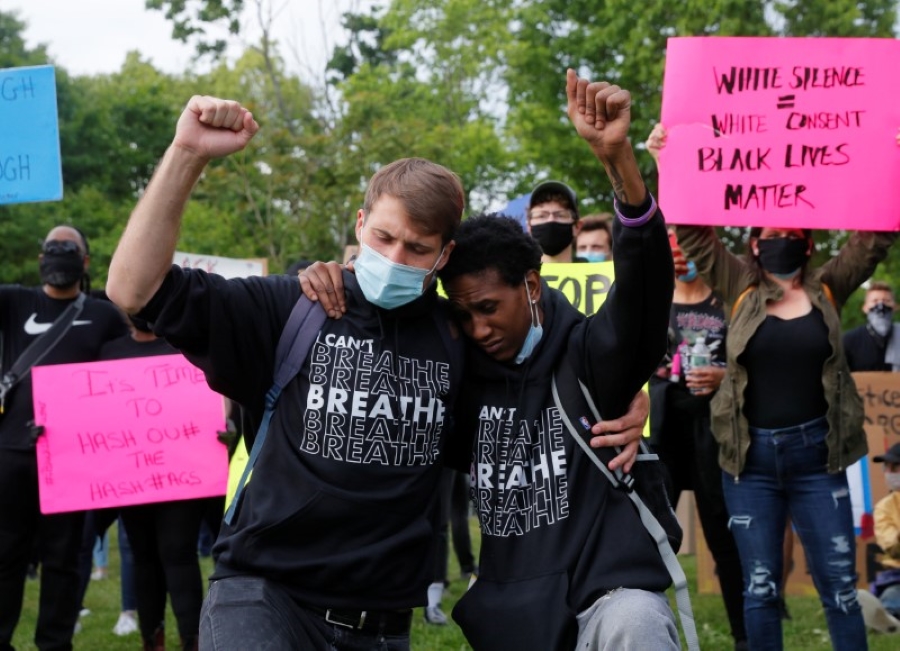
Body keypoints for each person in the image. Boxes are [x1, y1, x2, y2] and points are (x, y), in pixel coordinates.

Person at [106, 92, 646, 650]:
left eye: (417, 248)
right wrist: (186, 153)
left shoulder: (456, 337)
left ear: (443, 257)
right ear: (361, 224)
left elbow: (549, 365)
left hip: (381, 626)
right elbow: (132, 289)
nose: (394, 259)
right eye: (383, 238)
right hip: (264, 600)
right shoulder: (292, 307)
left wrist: (623, 394)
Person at [436, 72, 678, 649]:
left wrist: (619, 162)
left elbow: (642, 294)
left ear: (532, 285)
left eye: (489, 308)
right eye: (464, 315)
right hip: (510, 614)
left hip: (607, 599)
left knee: (637, 625)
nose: (479, 328)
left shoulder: (591, 355)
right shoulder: (455, 371)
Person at [652, 118, 900, 649]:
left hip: (818, 461)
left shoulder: (829, 287)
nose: (780, 241)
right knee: (759, 588)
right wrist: (669, 161)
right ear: (754, 244)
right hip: (751, 464)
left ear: (807, 244)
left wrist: (892, 161)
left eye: (791, 235)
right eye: (770, 235)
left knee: (838, 585)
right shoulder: (738, 286)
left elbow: (875, 236)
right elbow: (694, 230)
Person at [0, 226, 129, 651]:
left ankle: (55, 643)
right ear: (39, 258)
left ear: (85, 261)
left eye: (68, 248)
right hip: (13, 455)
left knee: (63, 560)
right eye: (51, 248)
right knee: (5, 556)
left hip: (72, 462)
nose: (58, 254)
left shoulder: (105, 315)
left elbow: (133, 379)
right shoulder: (14, 301)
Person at [648, 227, 747, 650]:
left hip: (715, 434)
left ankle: (745, 636)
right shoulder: (650, 301)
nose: (680, 256)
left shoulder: (728, 301)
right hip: (664, 435)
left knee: (724, 540)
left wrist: (724, 375)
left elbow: (755, 361)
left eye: (687, 247)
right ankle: (644, 628)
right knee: (652, 538)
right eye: (672, 248)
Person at [100, 314, 215, 651]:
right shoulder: (109, 351)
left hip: (183, 476)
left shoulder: (186, 350)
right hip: (131, 478)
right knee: (143, 557)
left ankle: (190, 641)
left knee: (178, 553)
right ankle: (153, 640)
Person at [843, 281, 898, 372]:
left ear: (895, 307)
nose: (881, 306)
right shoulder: (849, 341)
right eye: (875, 301)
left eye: (887, 301)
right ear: (865, 308)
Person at [527, 179, 581, 262]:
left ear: (577, 226)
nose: (551, 220)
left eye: (560, 215)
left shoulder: (599, 273)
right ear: (529, 227)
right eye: (541, 216)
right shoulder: (517, 274)